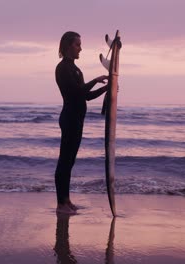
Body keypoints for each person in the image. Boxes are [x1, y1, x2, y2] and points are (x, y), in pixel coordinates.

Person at [55, 31, 108, 214]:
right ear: (68, 46)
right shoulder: (62, 69)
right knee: (64, 161)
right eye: (77, 44)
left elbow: (86, 96)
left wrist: (106, 87)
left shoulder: (77, 69)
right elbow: (75, 92)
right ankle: (60, 204)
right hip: (69, 118)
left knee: (70, 162)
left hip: (77, 119)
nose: (80, 48)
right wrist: (96, 80)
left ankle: (66, 200)